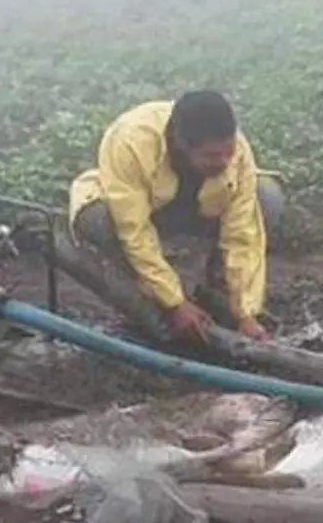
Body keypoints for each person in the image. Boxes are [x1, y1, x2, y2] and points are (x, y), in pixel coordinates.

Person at [66, 91, 286, 344]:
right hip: (142, 209)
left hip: (200, 209)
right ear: (182, 143)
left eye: (229, 152)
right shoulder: (131, 140)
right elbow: (134, 231)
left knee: (267, 197)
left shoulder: (234, 148)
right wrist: (174, 303)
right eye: (212, 156)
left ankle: (219, 296)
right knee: (100, 219)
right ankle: (149, 302)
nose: (225, 162)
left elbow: (243, 234)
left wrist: (246, 313)